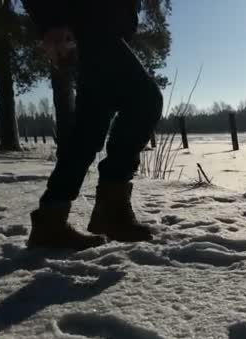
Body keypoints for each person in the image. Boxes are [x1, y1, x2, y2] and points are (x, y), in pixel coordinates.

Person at [22, 0, 164, 250]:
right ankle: (111, 210)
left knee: (89, 128)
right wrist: (50, 22)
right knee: (146, 100)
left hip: (99, 25)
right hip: (89, 21)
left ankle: (50, 222)